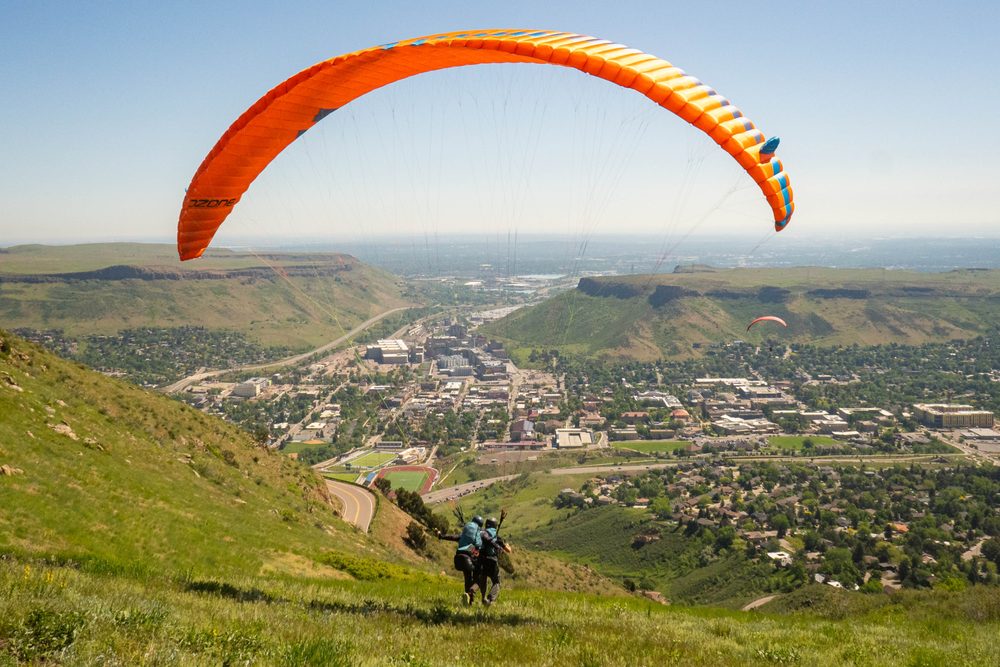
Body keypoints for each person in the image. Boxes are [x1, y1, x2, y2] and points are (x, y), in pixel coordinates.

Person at [436, 515, 483, 605]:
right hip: (468, 559)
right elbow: (478, 544)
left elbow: (452, 537)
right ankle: (471, 592)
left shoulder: (463, 536)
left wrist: (441, 536)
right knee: (479, 579)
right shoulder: (477, 532)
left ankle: (468, 601)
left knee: (467, 579)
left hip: (458, 558)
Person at [476, 516, 512, 607]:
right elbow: (508, 550)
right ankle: (490, 599)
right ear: (495, 526)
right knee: (496, 582)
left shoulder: (481, 533)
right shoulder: (496, 536)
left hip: (481, 560)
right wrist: (506, 544)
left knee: (483, 580)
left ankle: (483, 598)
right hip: (492, 560)